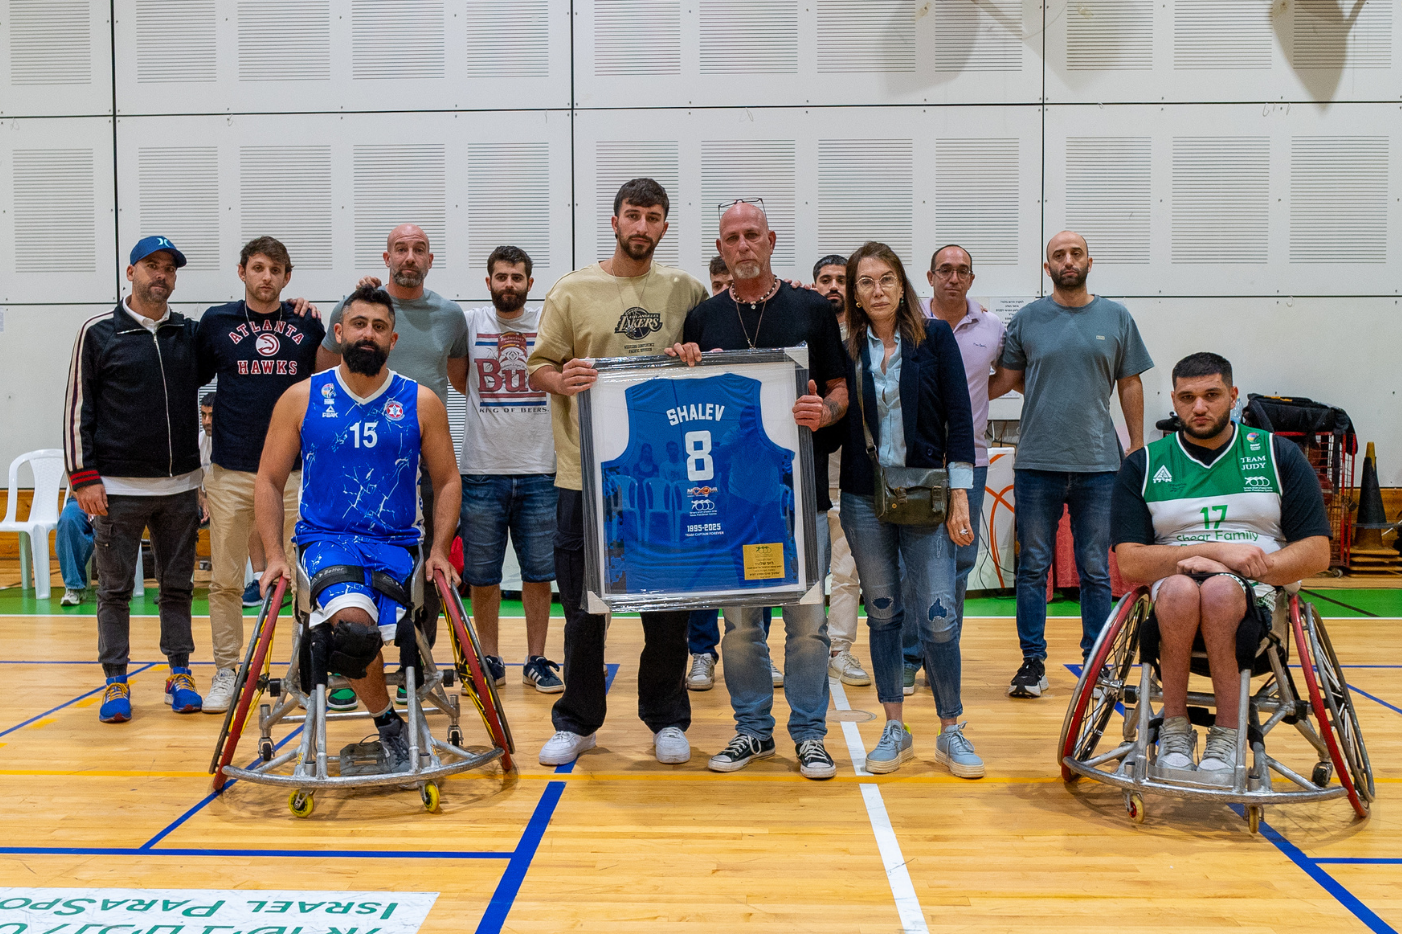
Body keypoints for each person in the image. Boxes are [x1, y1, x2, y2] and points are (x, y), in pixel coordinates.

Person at [526, 178, 708, 767]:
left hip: (666, 480)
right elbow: (538, 368)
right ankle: (577, 722)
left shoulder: (687, 290)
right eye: (633, 215)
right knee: (582, 606)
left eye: (653, 217)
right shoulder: (572, 290)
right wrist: (564, 378)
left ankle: (667, 718)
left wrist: (692, 355)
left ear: (663, 226)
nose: (641, 226)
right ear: (614, 221)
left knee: (667, 605)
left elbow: (711, 361)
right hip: (585, 476)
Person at [255, 284, 462, 771]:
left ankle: (328, 652)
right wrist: (274, 556)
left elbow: (449, 480)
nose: (368, 334)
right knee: (355, 626)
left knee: (368, 628)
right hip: (326, 541)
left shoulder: (421, 401)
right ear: (340, 331)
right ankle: (391, 725)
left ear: (393, 339)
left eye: (379, 327)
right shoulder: (302, 397)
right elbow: (266, 480)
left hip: (397, 545)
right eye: (360, 325)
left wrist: (439, 550)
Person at [682, 201, 847, 781]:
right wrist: (684, 365)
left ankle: (809, 736)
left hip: (797, 498)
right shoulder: (702, 319)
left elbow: (840, 389)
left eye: (753, 234)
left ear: (771, 240)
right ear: (721, 249)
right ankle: (752, 730)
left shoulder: (810, 309)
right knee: (741, 627)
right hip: (731, 507)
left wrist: (822, 413)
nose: (744, 245)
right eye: (732, 237)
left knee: (807, 626)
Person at [1112, 353, 1330, 777]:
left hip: (1254, 598)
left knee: (1219, 589)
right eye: (1188, 397)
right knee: (1177, 589)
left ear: (1232, 397)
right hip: (1175, 592)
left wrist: (1235, 566)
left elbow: (1317, 552)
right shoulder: (1143, 465)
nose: (1199, 407)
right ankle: (1176, 728)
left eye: (1212, 395)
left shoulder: (1277, 454)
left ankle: (1228, 734)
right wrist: (1218, 551)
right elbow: (1130, 562)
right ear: (1173, 400)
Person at [836, 241, 983, 777]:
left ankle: (951, 728)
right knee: (882, 611)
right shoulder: (844, 345)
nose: (877, 290)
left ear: (902, 286)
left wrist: (960, 494)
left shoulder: (935, 338)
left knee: (939, 613)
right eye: (865, 282)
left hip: (927, 492)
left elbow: (960, 420)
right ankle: (894, 727)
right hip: (863, 497)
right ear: (853, 293)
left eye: (886, 280)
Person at [999, 231, 1154, 698]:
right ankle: (1032, 664)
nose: (1067, 261)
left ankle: (1096, 662)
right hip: (1036, 465)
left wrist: (1137, 445)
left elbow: (1130, 383)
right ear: (1047, 267)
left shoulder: (1117, 317)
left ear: (1090, 260)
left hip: (1100, 465)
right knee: (1033, 568)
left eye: (1075, 253)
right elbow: (1009, 379)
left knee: (1095, 568)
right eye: (1057, 255)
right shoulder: (1026, 319)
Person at [63, 236, 212, 723]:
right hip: (116, 491)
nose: (161, 275)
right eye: (152, 266)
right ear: (130, 272)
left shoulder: (187, 334)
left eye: (169, 268)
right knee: (114, 590)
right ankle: (114, 680)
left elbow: (242, 349)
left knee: (177, 586)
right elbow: (77, 411)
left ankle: (180, 672)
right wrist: (84, 478)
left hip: (180, 489)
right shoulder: (98, 332)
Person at [320, 223, 469, 706]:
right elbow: (325, 370)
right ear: (386, 256)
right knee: (345, 561)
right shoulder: (358, 305)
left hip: (422, 453)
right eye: (401, 249)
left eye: (419, 249)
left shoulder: (450, 316)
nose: (409, 257)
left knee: (427, 564)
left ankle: (413, 664)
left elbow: (460, 380)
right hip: (361, 455)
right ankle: (348, 667)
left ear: (430, 258)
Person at [196, 236, 324, 713]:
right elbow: (189, 378)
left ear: (287, 277)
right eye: (257, 267)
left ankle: (300, 672)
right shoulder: (216, 322)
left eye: (275, 269)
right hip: (230, 470)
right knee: (227, 580)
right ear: (242, 272)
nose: (266, 276)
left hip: (293, 473)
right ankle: (229, 670)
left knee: (298, 578)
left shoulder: (307, 322)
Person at [899, 245, 1011, 693]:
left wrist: (972, 400)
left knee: (961, 560)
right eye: (945, 269)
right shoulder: (911, 323)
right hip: (918, 462)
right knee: (914, 563)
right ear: (929, 276)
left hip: (973, 459)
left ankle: (943, 654)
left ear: (971, 277)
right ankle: (909, 656)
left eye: (963, 270)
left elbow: (1005, 376)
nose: (954, 277)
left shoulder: (993, 327)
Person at [458, 245, 562, 695]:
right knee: (483, 575)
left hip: (541, 468)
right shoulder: (470, 324)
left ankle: (536, 658)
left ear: (529, 283)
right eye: (501, 277)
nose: (509, 285)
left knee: (540, 573)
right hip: (482, 469)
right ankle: (490, 657)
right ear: (488, 282)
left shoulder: (548, 324)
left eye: (517, 277)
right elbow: (456, 378)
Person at [811, 252, 869, 687]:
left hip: (855, 466)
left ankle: (840, 649)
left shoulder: (868, 336)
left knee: (848, 568)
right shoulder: (807, 331)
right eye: (825, 279)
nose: (833, 286)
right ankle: (806, 647)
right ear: (813, 286)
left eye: (841, 280)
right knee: (809, 566)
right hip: (810, 465)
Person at [56, 492, 94, 607]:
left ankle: (118, 588)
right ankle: (74, 587)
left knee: (110, 525)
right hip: (82, 498)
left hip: (116, 498)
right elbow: (73, 480)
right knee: (68, 520)